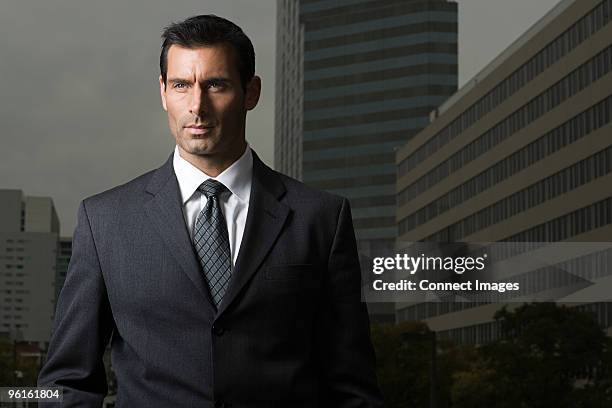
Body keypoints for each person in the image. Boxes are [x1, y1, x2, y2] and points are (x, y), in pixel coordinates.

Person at [38, 14, 383, 408]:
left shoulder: (322, 218)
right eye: (182, 85)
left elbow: (353, 385)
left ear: (251, 92)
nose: (197, 106)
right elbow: (66, 383)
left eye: (216, 85)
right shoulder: (105, 221)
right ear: (164, 93)